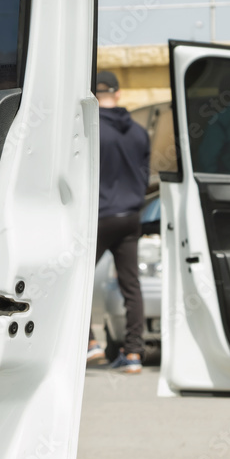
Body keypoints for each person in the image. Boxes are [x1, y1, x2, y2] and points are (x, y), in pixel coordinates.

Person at [87, 70, 150, 374]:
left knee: (77, 280)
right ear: (119, 94)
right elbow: (144, 177)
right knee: (131, 286)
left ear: (92, 95)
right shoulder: (139, 132)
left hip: (100, 217)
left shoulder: (91, 129)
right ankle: (135, 355)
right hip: (130, 217)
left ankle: (89, 343)